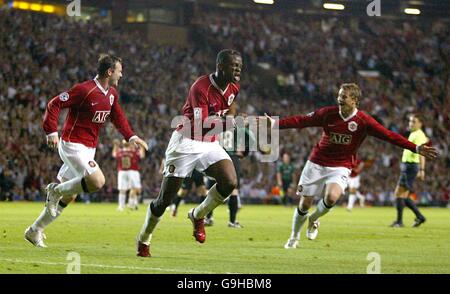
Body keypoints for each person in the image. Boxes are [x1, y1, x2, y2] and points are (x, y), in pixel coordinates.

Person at [264, 83, 438, 249]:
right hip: (316, 162)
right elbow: (301, 120)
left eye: (344, 96)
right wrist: (275, 124)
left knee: (332, 197)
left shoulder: (363, 121)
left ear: (354, 100)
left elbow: (389, 135)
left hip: (341, 165)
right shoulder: (328, 113)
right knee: (304, 205)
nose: (339, 99)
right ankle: (294, 237)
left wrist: (415, 148)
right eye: (339, 95)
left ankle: (314, 219)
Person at [24, 54, 148, 248]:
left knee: (70, 195)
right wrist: (50, 131)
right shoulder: (84, 90)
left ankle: (34, 230)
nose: (121, 75)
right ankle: (54, 191)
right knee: (97, 181)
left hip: (89, 148)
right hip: (72, 144)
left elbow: (118, 117)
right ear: (110, 72)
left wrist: (131, 137)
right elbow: (54, 104)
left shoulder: (112, 94)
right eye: (119, 71)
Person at [136, 49, 243, 257]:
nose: (238, 68)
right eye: (234, 65)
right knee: (164, 200)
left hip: (209, 143)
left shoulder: (234, 87)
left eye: (240, 65)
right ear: (220, 66)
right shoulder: (200, 87)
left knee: (230, 182)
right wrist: (231, 123)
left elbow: (227, 109)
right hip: (186, 142)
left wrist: (231, 118)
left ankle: (197, 215)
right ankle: (144, 238)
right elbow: (201, 124)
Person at [391, 114, 429, 228]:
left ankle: (399, 222)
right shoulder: (414, 134)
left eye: (414, 121)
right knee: (403, 195)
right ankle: (419, 217)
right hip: (408, 165)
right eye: (410, 121)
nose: (411, 123)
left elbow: (422, 153)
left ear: (420, 124)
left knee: (398, 194)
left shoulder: (419, 135)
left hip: (411, 166)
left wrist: (422, 169)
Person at [112, 139, 146, 211]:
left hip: (122, 172)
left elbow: (114, 154)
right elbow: (142, 155)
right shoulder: (133, 152)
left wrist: (115, 146)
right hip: (132, 171)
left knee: (122, 190)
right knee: (135, 189)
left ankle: (121, 206)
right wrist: (142, 146)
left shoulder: (120, 152)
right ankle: (132, 203)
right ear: (130, 144)